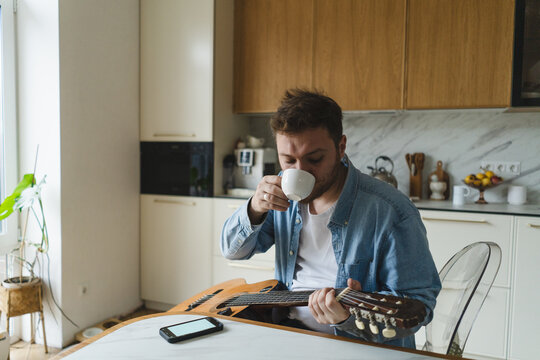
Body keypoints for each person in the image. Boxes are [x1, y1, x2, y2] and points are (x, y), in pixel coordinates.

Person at [220, 89, 441, 349]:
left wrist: (348, 318)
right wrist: (254, 209)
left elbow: (419, 304)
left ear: (340, 147)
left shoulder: (390, 211)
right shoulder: (280, 194)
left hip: (356, 347)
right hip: (287, 334)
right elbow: (233, 251)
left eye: (314, 159)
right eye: (288, 160)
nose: (299, 171)